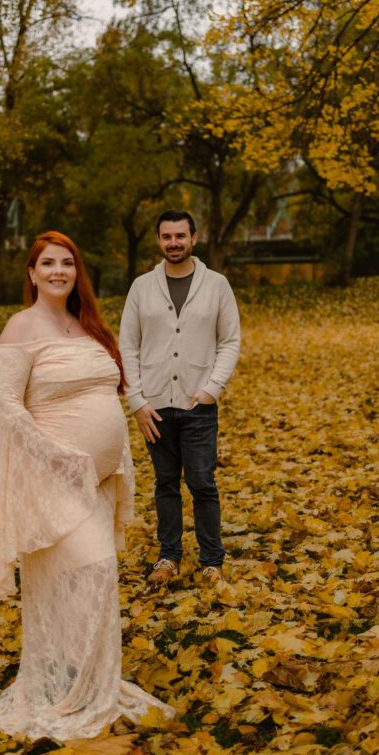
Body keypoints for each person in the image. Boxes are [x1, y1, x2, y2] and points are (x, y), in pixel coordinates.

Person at [0, 230, 174, 741]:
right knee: (90, 571)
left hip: (98, 481)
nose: (58, 272)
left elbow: (109, 393)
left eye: (67, 263)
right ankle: (65, 687)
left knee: (93, 578)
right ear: (31, 272)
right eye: (47, 263)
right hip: (52, 478)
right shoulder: (19, 328)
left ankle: (87, 680)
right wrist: (61, 458)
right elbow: (8, 404)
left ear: (77, 271)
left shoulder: (85, 325)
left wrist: (114, 457)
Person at [119, 210, 240, 587]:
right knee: (165, 483)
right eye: (167, 237)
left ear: (194, 238)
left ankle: (211, 561)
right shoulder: (141, 287)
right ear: (159, 240)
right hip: (155, 407)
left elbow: (230, 341)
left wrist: (211, 389)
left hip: (197, 404)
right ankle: (169, 557)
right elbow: (127, 346)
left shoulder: (216, 284)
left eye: (180, 236)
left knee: (202, 483)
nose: (174, 243)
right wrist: (137, 401)